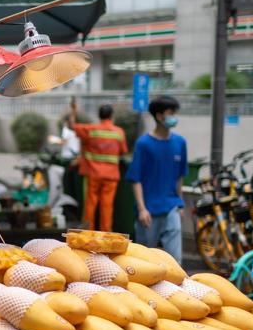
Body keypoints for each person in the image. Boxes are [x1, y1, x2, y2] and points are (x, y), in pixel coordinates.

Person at [126, 96, 186, 263]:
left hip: (172, 206)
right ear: (159, 116)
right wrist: (142, 209)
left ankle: (176, 287)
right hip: (149, 210)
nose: (174, 117)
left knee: (175, 261)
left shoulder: (180, 143)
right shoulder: (143, 144)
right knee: (145, 259)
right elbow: (136, 179)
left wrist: (180, 204)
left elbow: (179, 176)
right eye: (171, 113)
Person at [72, 103, 128, 232]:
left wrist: (73, 111)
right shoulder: (119, 132)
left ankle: (87, 234)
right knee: (107, 207)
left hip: (93, 174)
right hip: (111, 176)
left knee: (90, 205)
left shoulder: (91, 129)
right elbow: (123, 151)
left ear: (99, 115)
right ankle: (106, 235)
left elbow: (73, 126)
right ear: (111, 116)